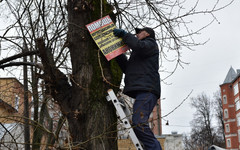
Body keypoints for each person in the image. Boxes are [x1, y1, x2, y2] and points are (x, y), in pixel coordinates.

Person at [113, 27, 162, 150]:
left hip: (148, 90)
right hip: (143, 90)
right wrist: (117, 53)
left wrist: (125, 35)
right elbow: (128, 68)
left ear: (147, 34)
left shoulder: (151, 44)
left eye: (139, 32)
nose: (136, 34)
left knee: (139, 123)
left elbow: (139, 46)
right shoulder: (140, 53)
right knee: (137, 124)